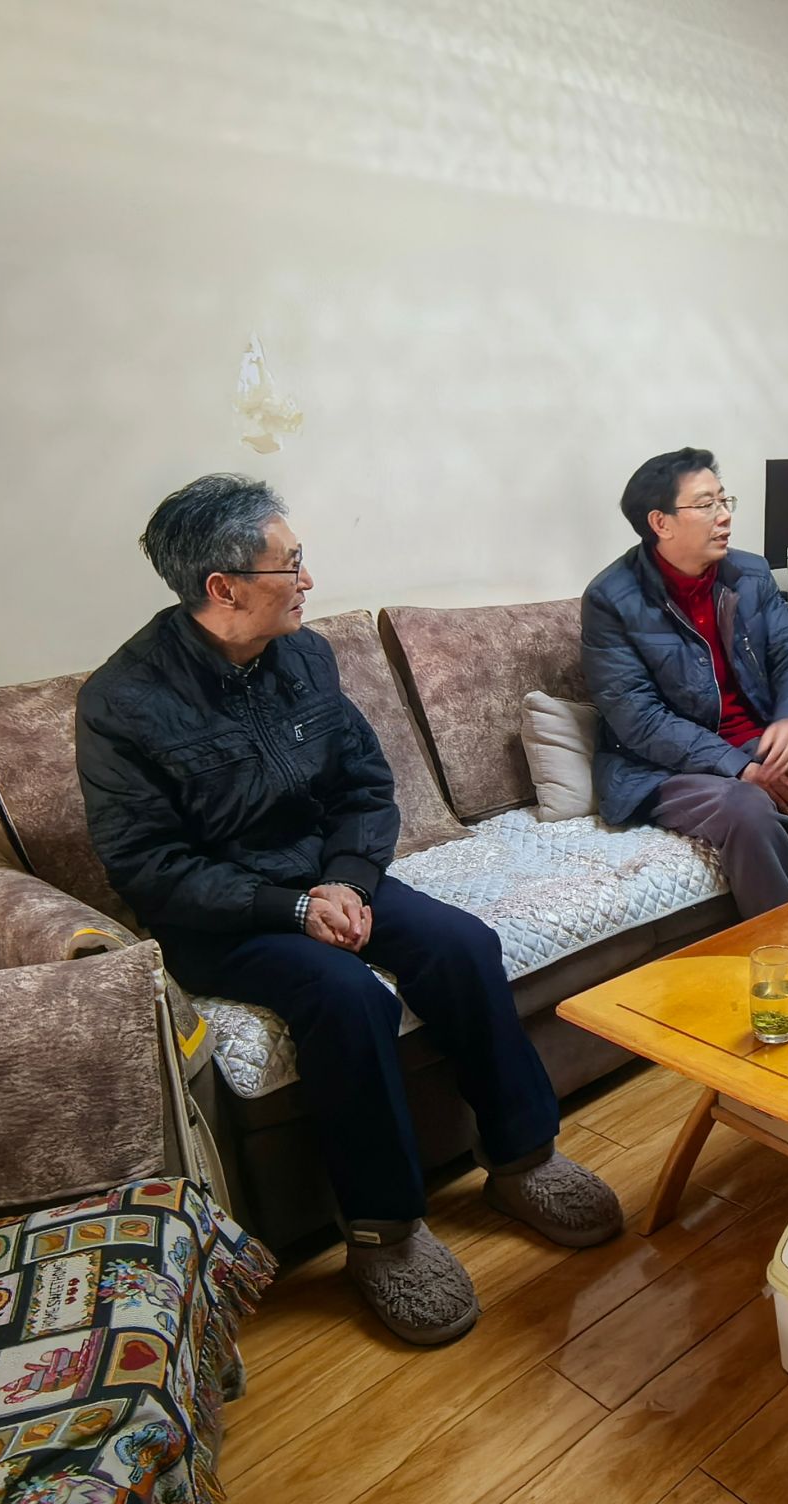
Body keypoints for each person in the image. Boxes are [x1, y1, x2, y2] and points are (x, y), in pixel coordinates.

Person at [77, 474, 621, 1347]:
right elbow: (148, 868)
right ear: (223, 588)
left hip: (333, 879)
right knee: (346, 996)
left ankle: (524, 1158)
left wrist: (348, 883)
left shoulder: (305, 656)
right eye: (289, 564)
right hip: (224, 916)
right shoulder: (123, 701)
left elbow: (366, 787)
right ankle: (384, 1234)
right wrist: (292, 908)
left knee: (461, 945)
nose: (307, 580)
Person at [581, 447, 788, 917]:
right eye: (706, 505)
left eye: (725, 500)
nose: (724, 516)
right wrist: (738, 766)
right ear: (661, 523)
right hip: (667, 768)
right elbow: (639, 719)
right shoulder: (611, 599)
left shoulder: (748, 573)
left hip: (759, 745)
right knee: (750, 811)